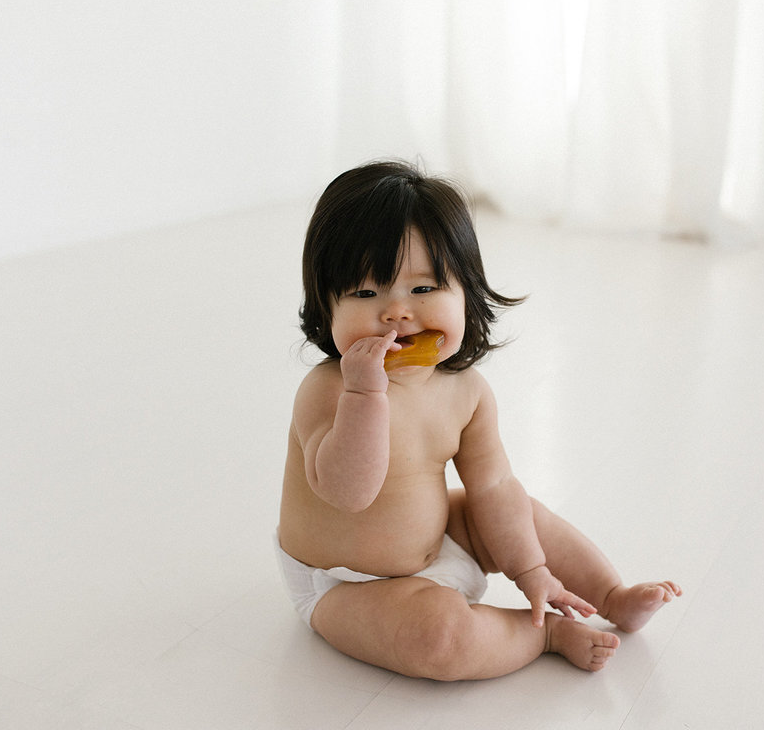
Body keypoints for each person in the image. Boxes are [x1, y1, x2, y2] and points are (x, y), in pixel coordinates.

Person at [276, 160, 680, 680]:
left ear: (467, 294)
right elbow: (349, 492)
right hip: (348, 585)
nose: (397, 312)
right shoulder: (327, 390)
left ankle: (609, 595)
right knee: (438, 639)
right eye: (365, 293)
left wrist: (531, 569)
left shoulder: (466, 392)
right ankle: (544, 634)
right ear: (324, 307)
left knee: (518, 510)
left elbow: (491, 485)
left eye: (423, 291)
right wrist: (364, 392)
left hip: (441, 533)